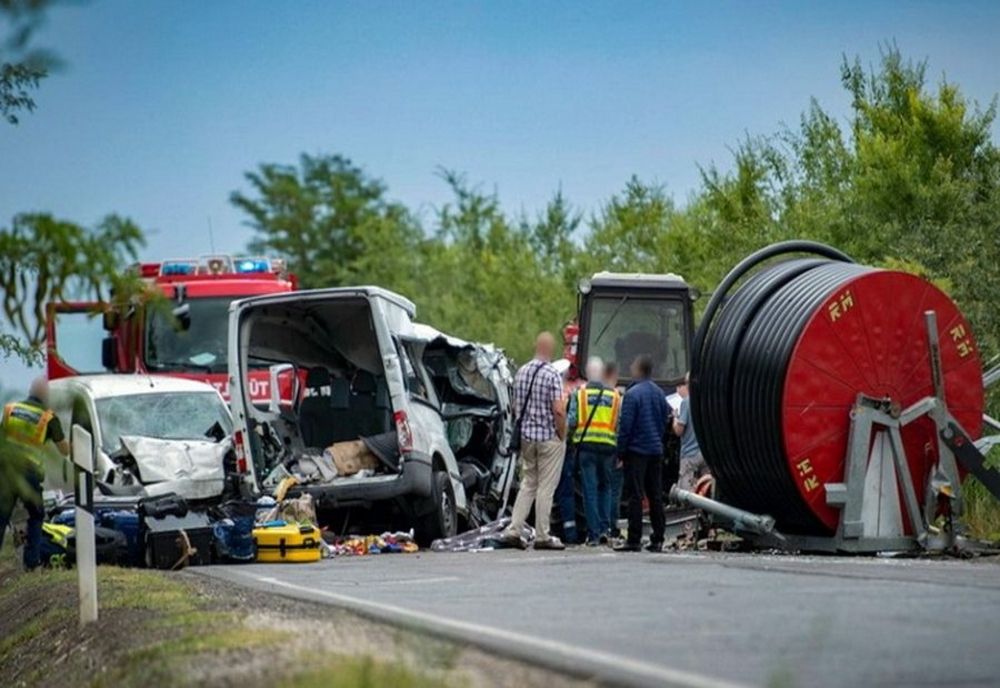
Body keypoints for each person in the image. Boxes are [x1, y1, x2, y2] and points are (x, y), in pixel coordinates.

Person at [501, 332, 567, 550]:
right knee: (546, 487)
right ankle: (542, 535)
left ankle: (514, 529)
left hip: (527, 437)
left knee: (528, 483)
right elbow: (559, 410)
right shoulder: (552, 374)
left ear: (535, 346)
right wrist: (562, 434)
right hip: (548, 437)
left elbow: (515, 405)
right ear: (551, 349)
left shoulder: (521, 372)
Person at [0, 378, 70, 570]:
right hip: (29, 474)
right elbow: (64, 450)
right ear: (46, 396)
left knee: (2, 516)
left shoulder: (10, 410)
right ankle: (31, 562)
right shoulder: (48, 418)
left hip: (7, 472)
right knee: (37, 514)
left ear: (30, 391)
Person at [615, 355, 669, 552]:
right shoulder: (659, 394)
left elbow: (626, 426)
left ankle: (634, 538)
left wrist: (621, 452)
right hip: (655, 450)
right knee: (655, 495)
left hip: (637, 451)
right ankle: (658, 538)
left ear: (638, 369)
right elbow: (665, 420)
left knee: (635, 495)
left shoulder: (632, 395)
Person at [567, 356, 621, 545]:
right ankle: (606, 529)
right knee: (606, 487)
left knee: (589, 490)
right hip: (608, 447)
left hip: (586, 447)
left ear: (588, 373)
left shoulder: (579, 394)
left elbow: (572, 421)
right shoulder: (615, 396)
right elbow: (619, 424)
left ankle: (594, 534)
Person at [673, 372, 708, 492]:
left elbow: (679, 431)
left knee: (686, 491)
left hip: (690, 454)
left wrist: (675, 418)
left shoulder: (686, 402)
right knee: (705, 488)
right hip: (705, 453)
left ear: (688, 384)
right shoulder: (706, 401)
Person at [602, 361, 625, 537]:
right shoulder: (617, 398)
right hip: (612, 447)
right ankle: (612, 527)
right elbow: (620, 426)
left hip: (590, 446)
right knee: (613, 489)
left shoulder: (586, 394)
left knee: (595, 489)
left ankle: (597, 528)